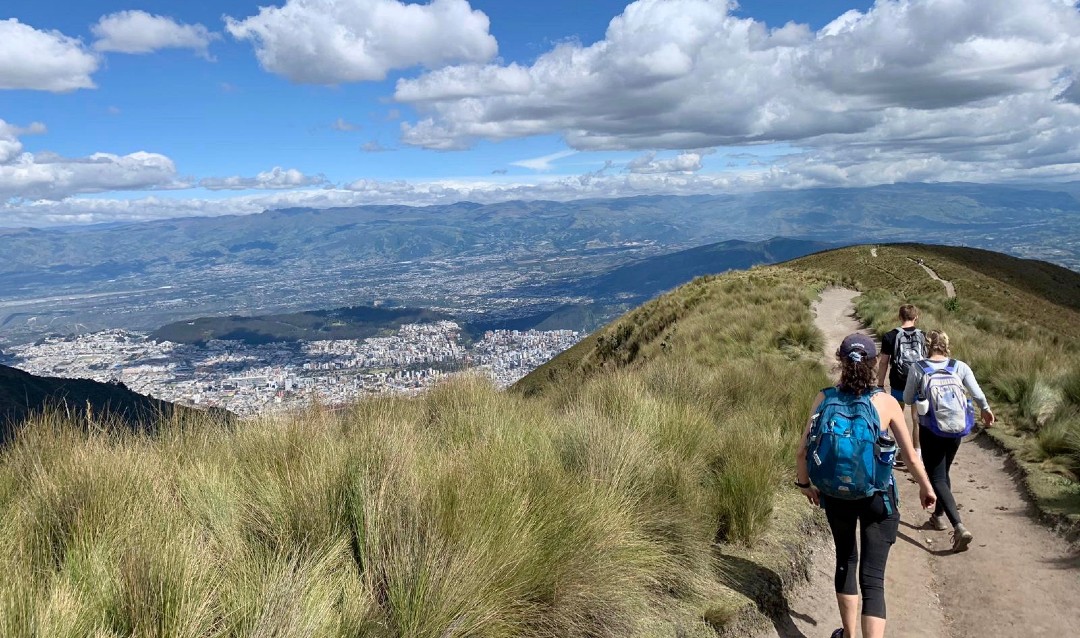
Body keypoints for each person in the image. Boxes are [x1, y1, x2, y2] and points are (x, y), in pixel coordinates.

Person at [797, 334, 936, 638]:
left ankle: (847, 635)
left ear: (841, 361)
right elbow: (910, 457)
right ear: (873, 363)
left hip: (835, 495)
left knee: (846, 559)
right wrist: (926, 487)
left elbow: (802, 450)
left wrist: (804, 484)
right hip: (877, 497)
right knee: (873, 578)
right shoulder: (885, 402)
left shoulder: (825, 398)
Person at [904, 330, 995, 552]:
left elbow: (907, 398)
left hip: (931, 429)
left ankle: (959, 526)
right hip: (956, 429)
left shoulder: (919, 367)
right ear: (946, 345)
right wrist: (986, 409)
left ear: (927, 345)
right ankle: (938, 516)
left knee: (937, 476)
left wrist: (920, 396)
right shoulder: (959, 366)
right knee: (943, 474)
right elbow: (977, 393)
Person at [878, 304, 927, 465]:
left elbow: (884, 362)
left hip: (898, 383)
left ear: (899, 317)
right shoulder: (924, 336)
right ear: (916, 317)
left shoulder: (890, 336)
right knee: (916, 419)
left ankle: (900, 450)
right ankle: (917, 455)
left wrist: (880, 383)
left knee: (896, 417)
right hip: (919, 384)